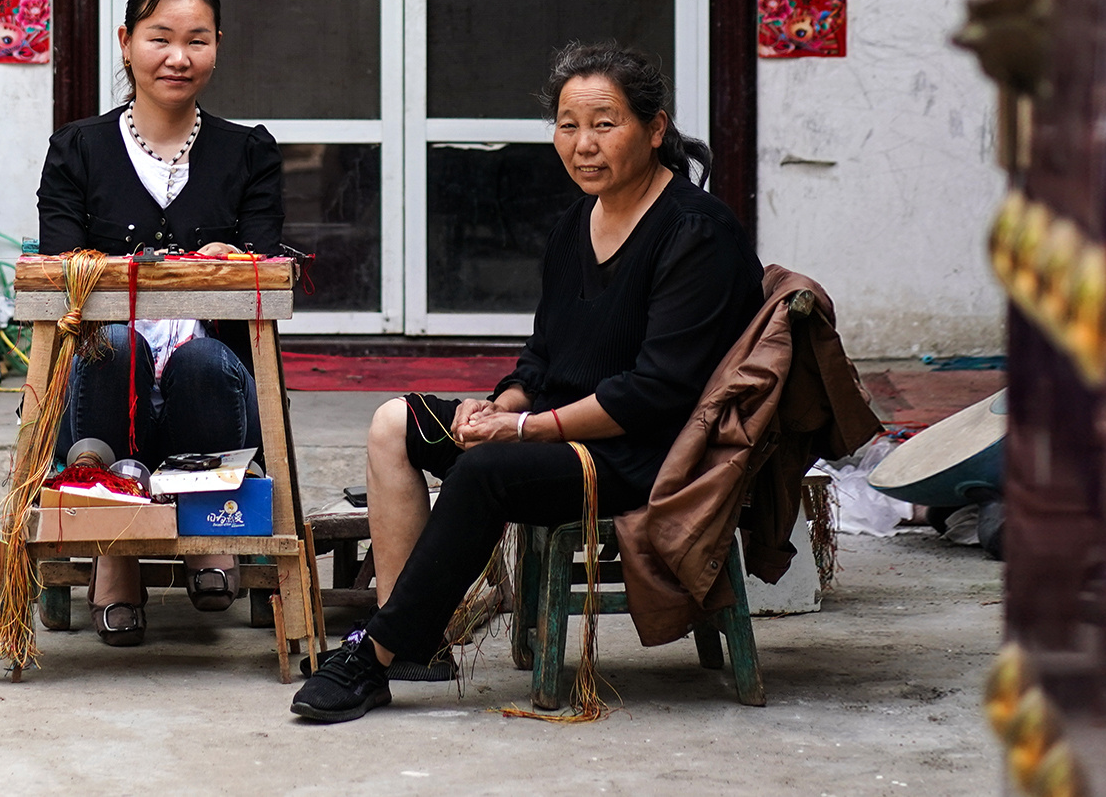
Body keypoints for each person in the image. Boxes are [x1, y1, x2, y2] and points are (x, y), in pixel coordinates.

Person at [289, 42, 764, 722]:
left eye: (604, 124)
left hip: (643, 454)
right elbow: (543, 353)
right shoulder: (578, 220)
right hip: (556, 427)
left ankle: (376, 654)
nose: (583, 145)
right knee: (397, 421)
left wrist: (521, 429)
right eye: (568, 126)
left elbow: (654, 392)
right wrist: (500, 404)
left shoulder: (696, 232)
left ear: (655, 128)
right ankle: (415, 640)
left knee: (486, 472)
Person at [35, 0, 284, 647]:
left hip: (212, 388)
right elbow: (60, 272)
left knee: (203, 357)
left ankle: (209, 532)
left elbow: (267, 272)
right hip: (101, 390)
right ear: (125, 42)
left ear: (217, 46)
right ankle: (114, 552)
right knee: (114, 343)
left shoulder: (249, 152)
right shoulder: (77, 149)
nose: (178, 57)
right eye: (160, 38)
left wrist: (235, 264)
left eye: (197, 40)